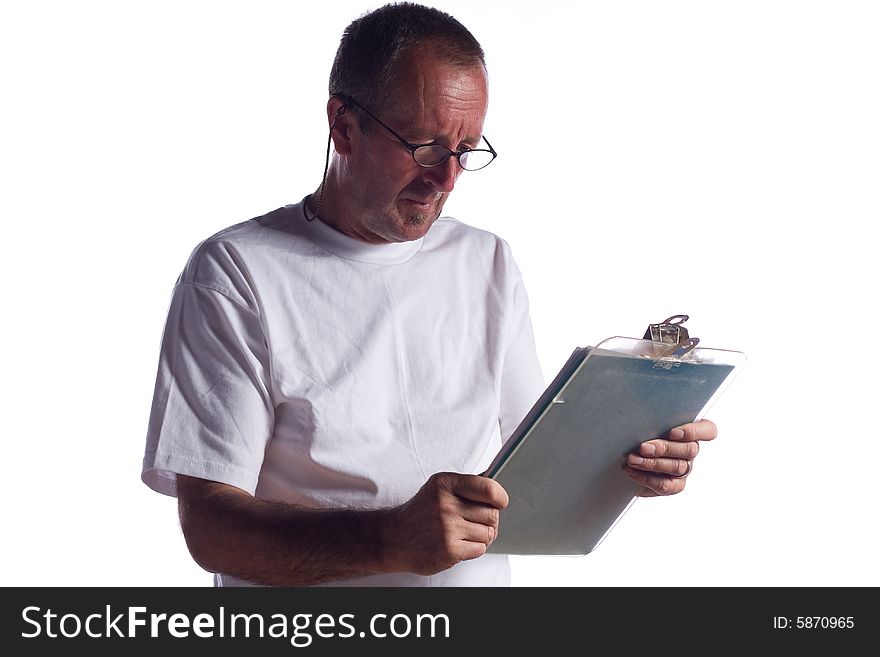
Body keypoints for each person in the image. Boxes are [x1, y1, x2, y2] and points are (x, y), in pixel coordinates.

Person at [141, 2, 717, 587]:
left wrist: (628, 464)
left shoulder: (486, 261)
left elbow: (532, 476)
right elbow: (211, 529)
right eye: (425, 145)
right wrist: (385, 540)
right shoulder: (235, 272)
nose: (447, 179)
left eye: (466, 151)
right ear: (343, 125)